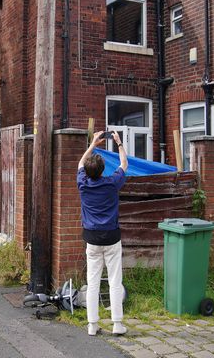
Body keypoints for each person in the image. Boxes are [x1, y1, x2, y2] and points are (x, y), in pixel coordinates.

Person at [77, 130, 128, 336]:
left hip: (91, 238)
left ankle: (92, 325)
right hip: (112, 237)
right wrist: (119, 143)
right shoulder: (111, 183)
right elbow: (124, 165)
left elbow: (80, 163)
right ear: (103, 169)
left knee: (93, 283)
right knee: (115, 281)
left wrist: (93, 144)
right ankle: (117, 324)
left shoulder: (83, 184)